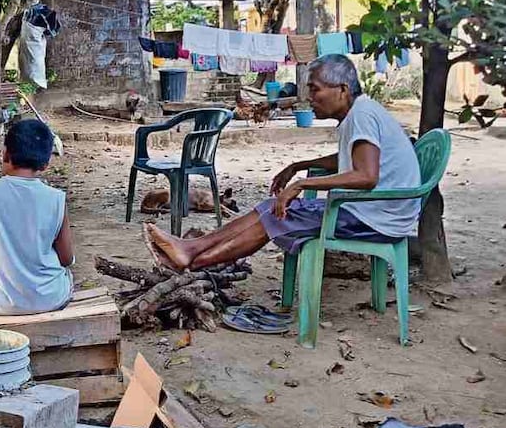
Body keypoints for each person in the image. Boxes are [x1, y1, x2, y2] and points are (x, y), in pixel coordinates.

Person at [145, 54, 421, 271]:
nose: (310, 98)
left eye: (315, 89)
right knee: (268, 208)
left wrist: (302, 182)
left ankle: (192, 263)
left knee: (278, 216)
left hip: (376, 218)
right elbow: (352, 160)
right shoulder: (360, 111)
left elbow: (366, 176)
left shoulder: (362, 116)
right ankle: (191, 249)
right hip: (375, 211)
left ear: (342, 89)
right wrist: (299, 165)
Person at [0, 119, 74, 315]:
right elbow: (66, 259)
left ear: (4, 154)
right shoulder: (57, 199)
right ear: (45, 164)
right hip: (50, 299)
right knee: (66, 276)